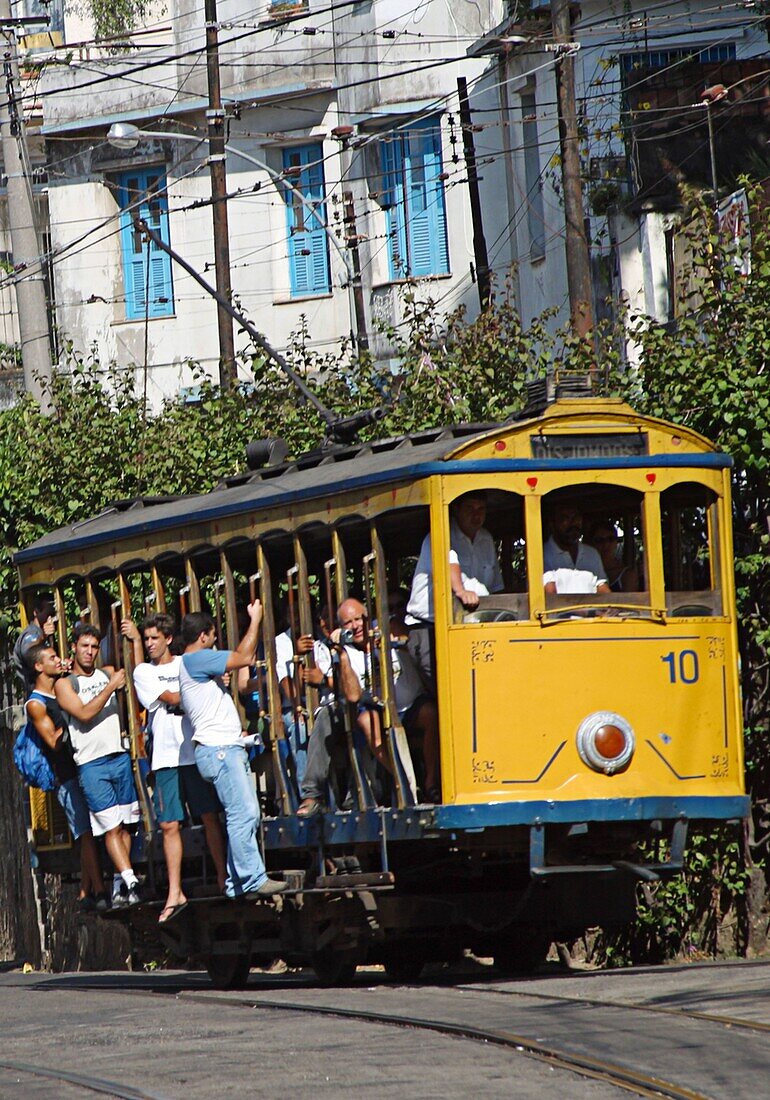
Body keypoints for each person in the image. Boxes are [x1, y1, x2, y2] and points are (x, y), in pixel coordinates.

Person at [179, 604, 288, 899]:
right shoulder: (197, 658)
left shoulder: (193, 665)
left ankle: (238, 881)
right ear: (203, 637)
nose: (215, 644)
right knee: (244, 813)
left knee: (244, 813)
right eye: (213, 637)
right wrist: (255, 620)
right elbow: (245, 658)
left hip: (221, 750)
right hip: (220, 752)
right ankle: (250, 879)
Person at [124, 613, 227, 921]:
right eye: (146, 639)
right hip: (166, 758)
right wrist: (194, 694)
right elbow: (168, 698)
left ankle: (224, 877)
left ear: (168, 639)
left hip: (194, 752)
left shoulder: (186, 662)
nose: (149, 644)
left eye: (155, 638)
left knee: (209, 816)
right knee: (169, 825)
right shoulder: (143, 672)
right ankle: (174, 891)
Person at [55, 625, 142, 907]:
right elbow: (83, 713)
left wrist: (136, 640)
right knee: (110, 827)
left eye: (94, 646)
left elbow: (137, 675)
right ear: (74, 649)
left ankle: (120, 884)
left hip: (118, 755)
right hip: (92, 764)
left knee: (126, 825)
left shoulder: (106, 671)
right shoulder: (66, 684)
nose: (90, 652)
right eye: (85, 646)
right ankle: (131, 881)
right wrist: (109, 688)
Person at [24, 643, 107, 911]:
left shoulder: (61, 688)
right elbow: (53, 741)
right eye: (52, 658)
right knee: (84, 832)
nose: (59, 660)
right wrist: (73, 714)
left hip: (83, 766)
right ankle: (99, 891)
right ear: (39, 666)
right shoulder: (36, 704)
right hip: (65, 775)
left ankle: (86, 892)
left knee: (90, 831)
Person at [405, 491, 504, 693]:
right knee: (449, 692)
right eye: (470, 509)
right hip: (429, 630)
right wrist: (461, 591)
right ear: (456, 510)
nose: (476, 515)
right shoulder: (439, 534)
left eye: (481, 509)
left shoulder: (486, 539)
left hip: (474, 628)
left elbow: (496, 587)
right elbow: (449, 564)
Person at [543, 502, 611, 595]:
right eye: (565, 518)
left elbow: (602, 588)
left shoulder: (591, 553)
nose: (573, 523)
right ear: (552, 524)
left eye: (576, 517)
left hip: (593, 609)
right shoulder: (542, 554)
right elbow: (550, 593)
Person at [13, 594, 57, 690]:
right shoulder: (31, 634)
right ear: (36, 612)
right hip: (34, 690)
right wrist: (44, 637)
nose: (51, 618)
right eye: (48, 613)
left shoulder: (42, 632)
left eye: (53, 614)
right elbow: (29, 654)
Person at [587, 521, 639, 593]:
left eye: (610, 539)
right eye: (599, 540)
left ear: (616, 542)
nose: (606, 544)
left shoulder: (627, 574)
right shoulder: (586, 571)